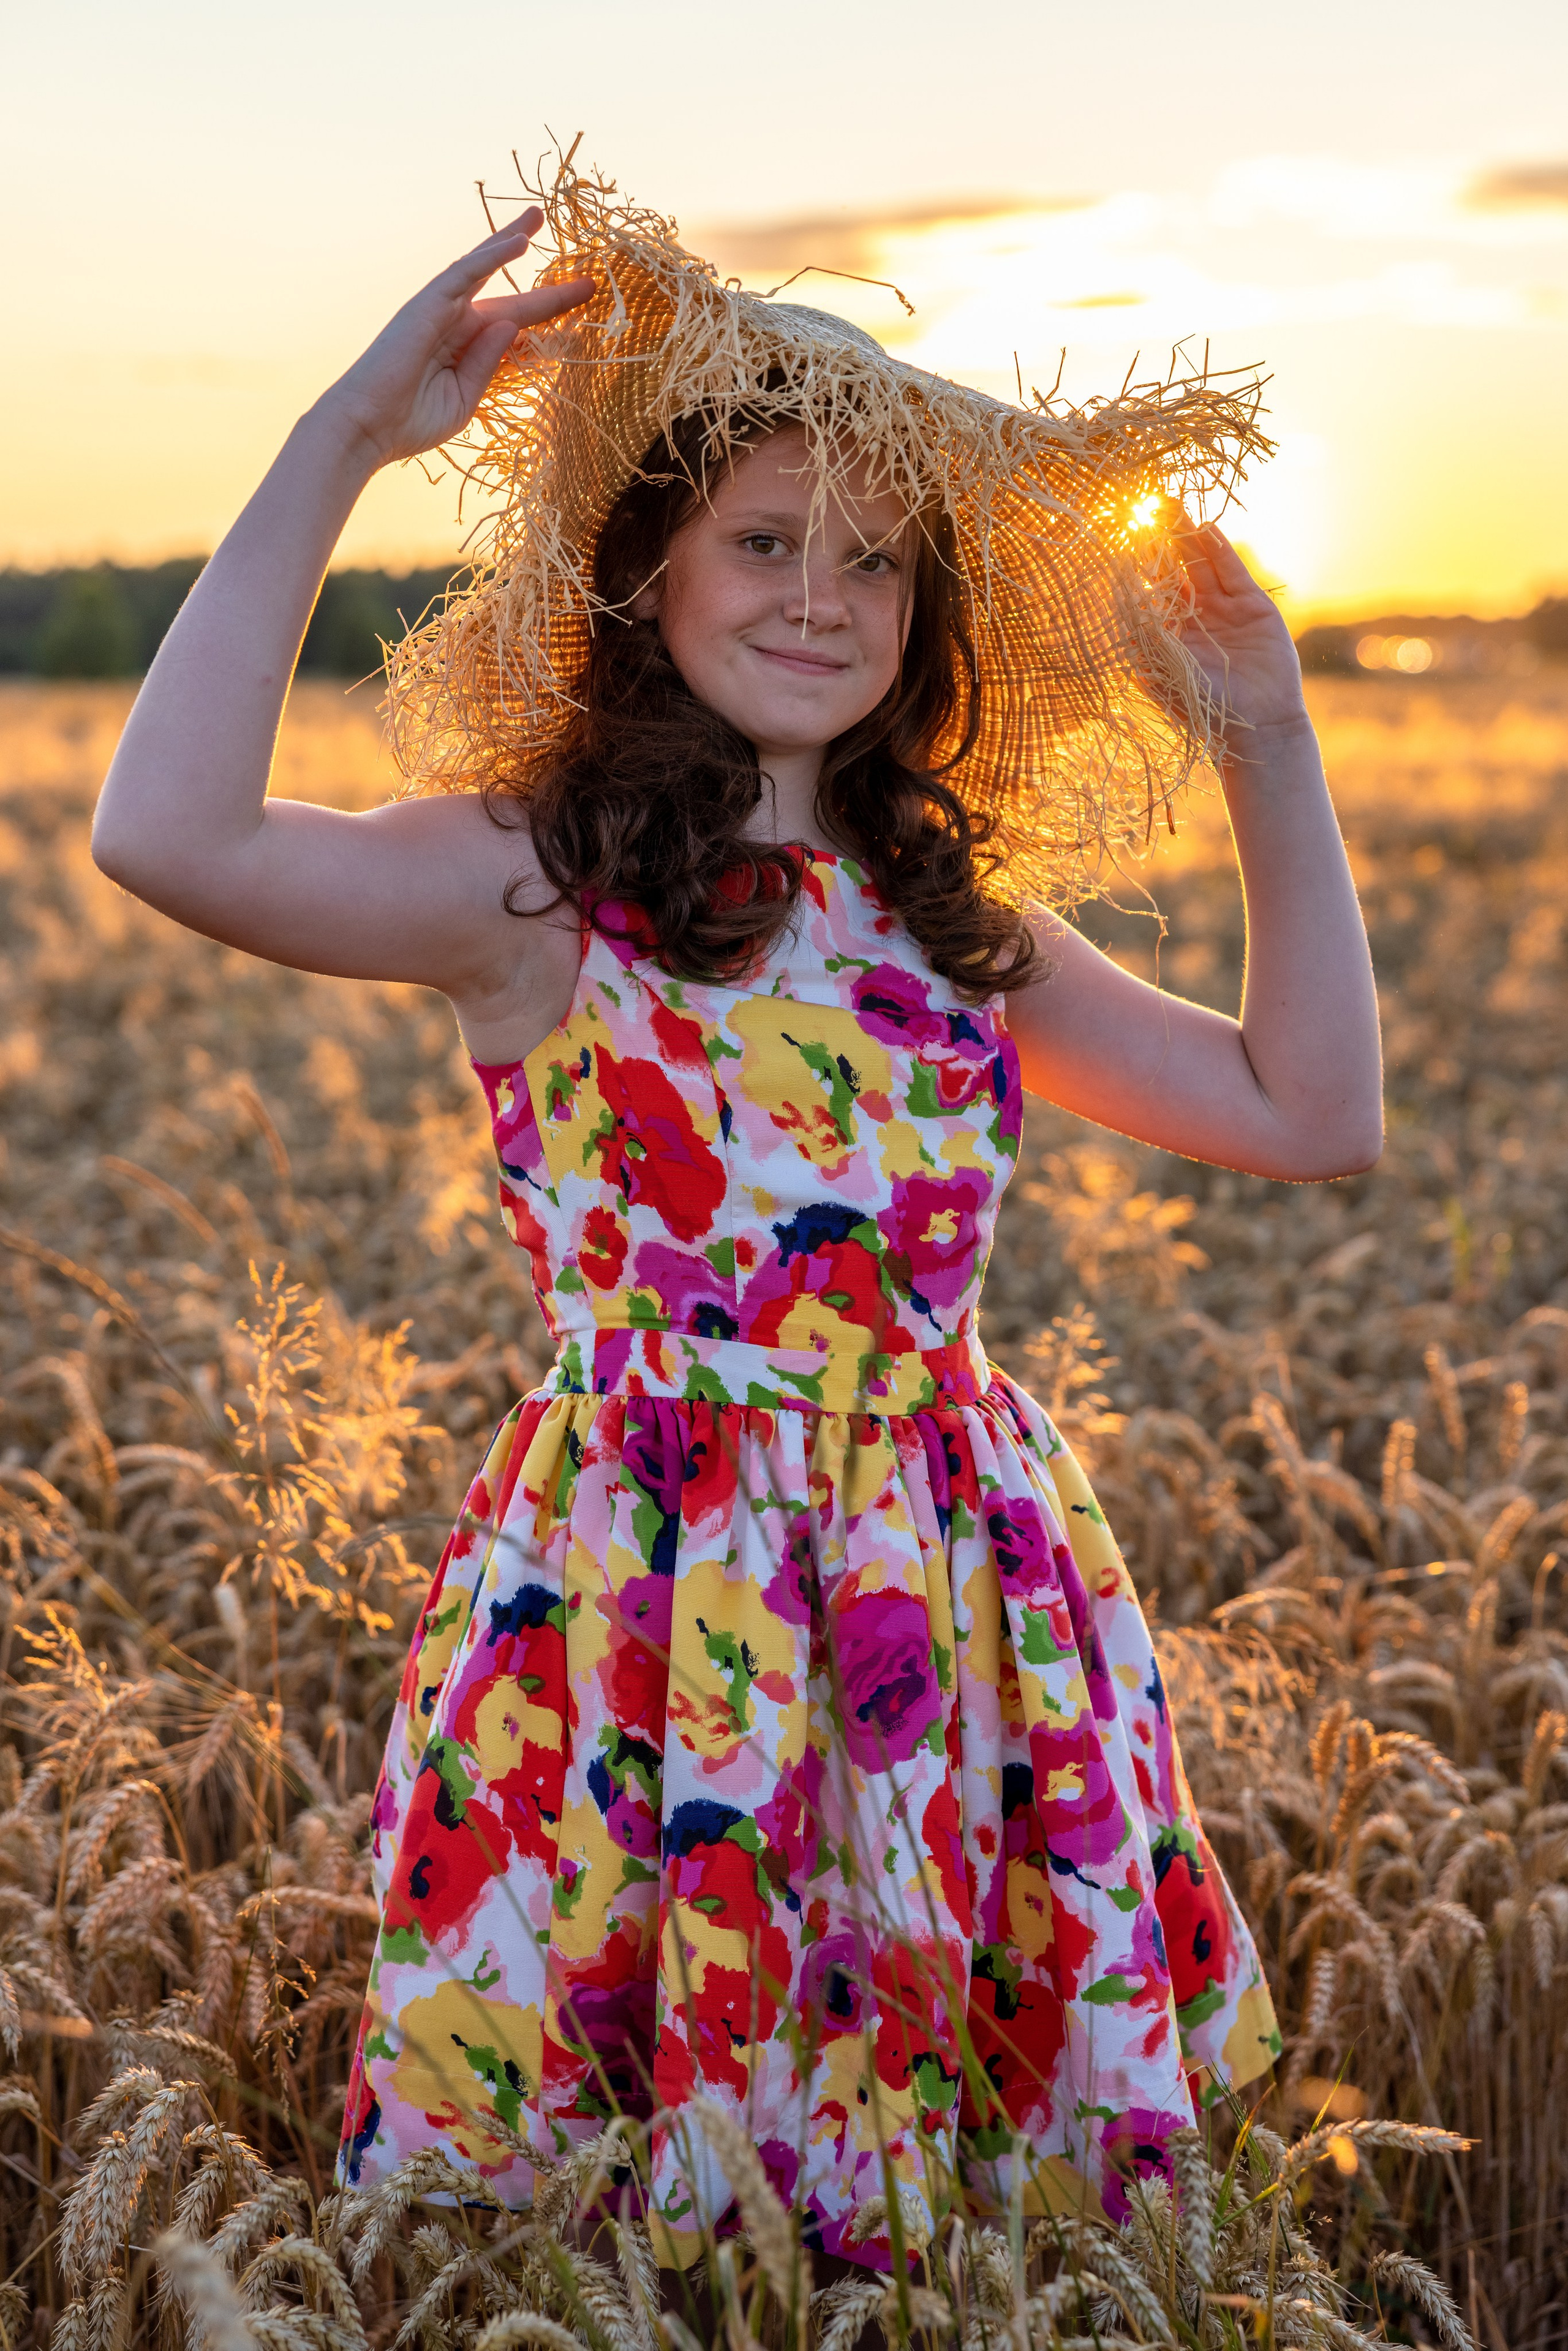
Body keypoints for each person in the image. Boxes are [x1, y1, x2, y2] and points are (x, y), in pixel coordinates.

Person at [92, 159, 1381, 2273]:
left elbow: (1307, 1113)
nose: (821, 598)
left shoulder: (962, 935)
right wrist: (345, 440)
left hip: (949, 1616)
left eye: (876, 562)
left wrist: (1265, 744)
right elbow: (171, 831)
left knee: (948, 2218)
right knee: (617, 2208)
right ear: (653, 576)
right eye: (767, 542)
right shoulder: (540, 891)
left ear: (925, 615)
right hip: (632, 1601)